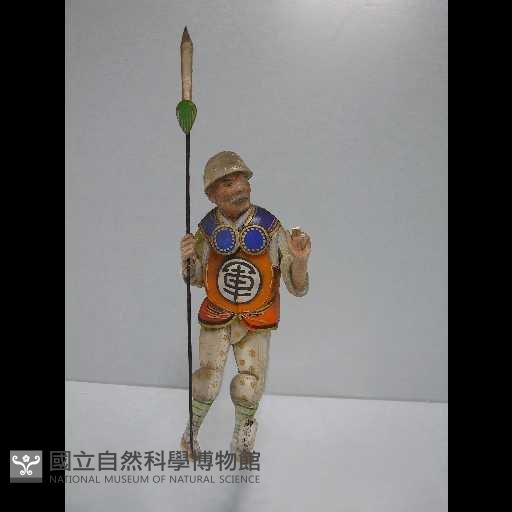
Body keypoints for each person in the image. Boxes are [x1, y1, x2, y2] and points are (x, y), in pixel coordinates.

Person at [179, 150, 311, 458]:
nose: (238, 187)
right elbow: (196, 277)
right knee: (206, 380)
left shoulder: (270, 227)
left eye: (241, 180)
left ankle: (241, 442)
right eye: (228, 183)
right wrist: (188, 258)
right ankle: (190, 436)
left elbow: (296, 285)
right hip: (217, 312)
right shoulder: (207, 229)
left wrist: (300, 261)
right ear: (212, 195)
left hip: (257, 316)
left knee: (248, 386)